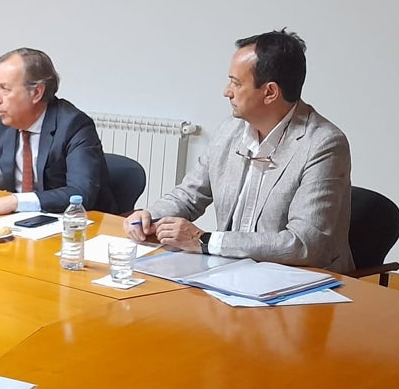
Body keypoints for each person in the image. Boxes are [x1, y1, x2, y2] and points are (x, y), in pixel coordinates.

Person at [124, 30, 353, 273]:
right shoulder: (230, 130)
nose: (226, 91)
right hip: (231, 274)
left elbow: (305, 243)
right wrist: (149, 217)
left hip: (298, 284)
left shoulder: (324, 144)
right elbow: (189, 195)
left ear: (270, 92)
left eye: (236, 82)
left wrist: (204, 240)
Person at [0, 47, 114, 216]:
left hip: (76, 227)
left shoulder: (73, 125)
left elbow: (80, 193)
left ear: (36, 93)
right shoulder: (1, 121)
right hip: (20, 225)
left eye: (5, 89)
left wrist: (15, 201)